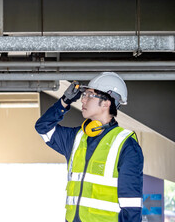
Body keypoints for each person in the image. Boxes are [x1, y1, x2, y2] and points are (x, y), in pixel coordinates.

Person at [35, 72, 144, 222]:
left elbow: (131, 206)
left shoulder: (126, 145)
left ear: (107, 103)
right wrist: (64, 101)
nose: (83, 100)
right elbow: (43, 127)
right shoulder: (76, 138)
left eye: (89, 95)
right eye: (84, 95)